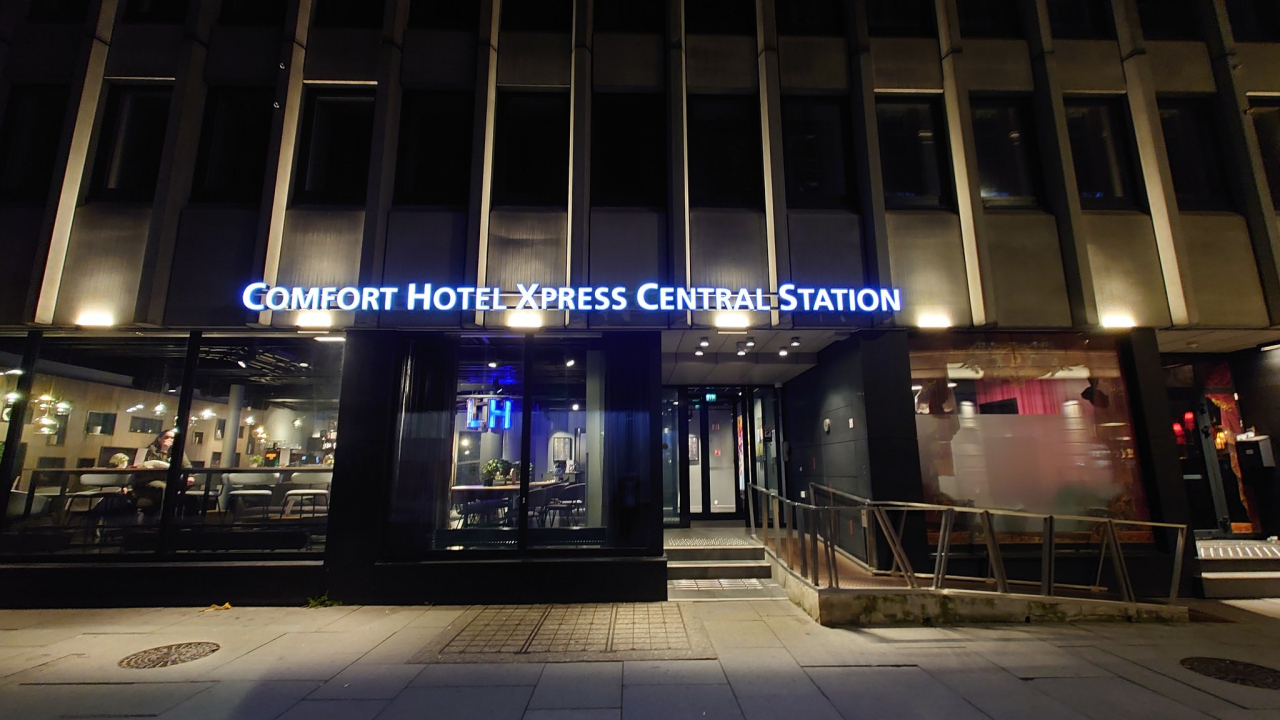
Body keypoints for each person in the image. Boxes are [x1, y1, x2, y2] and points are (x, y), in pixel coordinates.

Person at [133, 430, 194, 516]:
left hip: (170, 480)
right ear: (159, 439)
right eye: (166, 437)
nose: (169, 440)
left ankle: (190, 520)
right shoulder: (148, 450)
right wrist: (163, 450)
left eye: (172, 438)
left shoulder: (178, 452)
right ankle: (164, 517)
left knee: (190, 494)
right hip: (150, 480)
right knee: (165, 488)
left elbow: (187, 466)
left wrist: (189, 476)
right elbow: (137, 466)